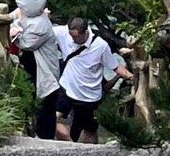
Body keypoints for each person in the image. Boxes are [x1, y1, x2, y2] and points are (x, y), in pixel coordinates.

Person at [50, 16, 131, 144]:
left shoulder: (100, 46)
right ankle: (70, 144)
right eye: (71, 36)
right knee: (50, 119)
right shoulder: (63, 32)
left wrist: (131, 76)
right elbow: (43, 30)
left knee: (88, 129)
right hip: (67, 87)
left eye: (76, 37)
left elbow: (115, 67)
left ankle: (85, 148)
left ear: (85, 32)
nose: (73, 40)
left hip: (88, 96)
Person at [8, 0, 66, 140]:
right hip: (33, 71)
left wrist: (15, 28)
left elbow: (27, 43)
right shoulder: (30, 17)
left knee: (45, 111)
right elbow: (13, 17)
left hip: (45, 76)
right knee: (36, 108)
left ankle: (45, 139)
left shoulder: (41, 24)